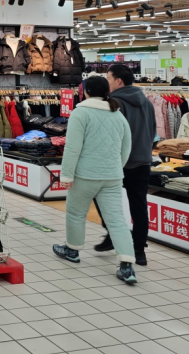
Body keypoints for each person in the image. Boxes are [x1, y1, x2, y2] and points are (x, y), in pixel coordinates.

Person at [52, 76, 138, 285]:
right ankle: (126, 264)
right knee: (116, 219)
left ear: (86, 91)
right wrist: (116, 166)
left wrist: (66, 175)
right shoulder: (117, 114)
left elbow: (73, 148)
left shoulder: (81, 113)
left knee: (76, 213)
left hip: (85, 175)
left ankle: (72, 250)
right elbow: (126, 146)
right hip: (112, 176)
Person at [94, 64, 156, 266]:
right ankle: (139, 251)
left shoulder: (114, 103)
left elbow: (111, 135)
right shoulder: (146, 102)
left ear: (118, 81)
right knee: (139, 206)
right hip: (143, 160)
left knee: (100, 196)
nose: (107, 82)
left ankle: (112, 234)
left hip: (119, 162)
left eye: (108, 78)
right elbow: (152, 130)